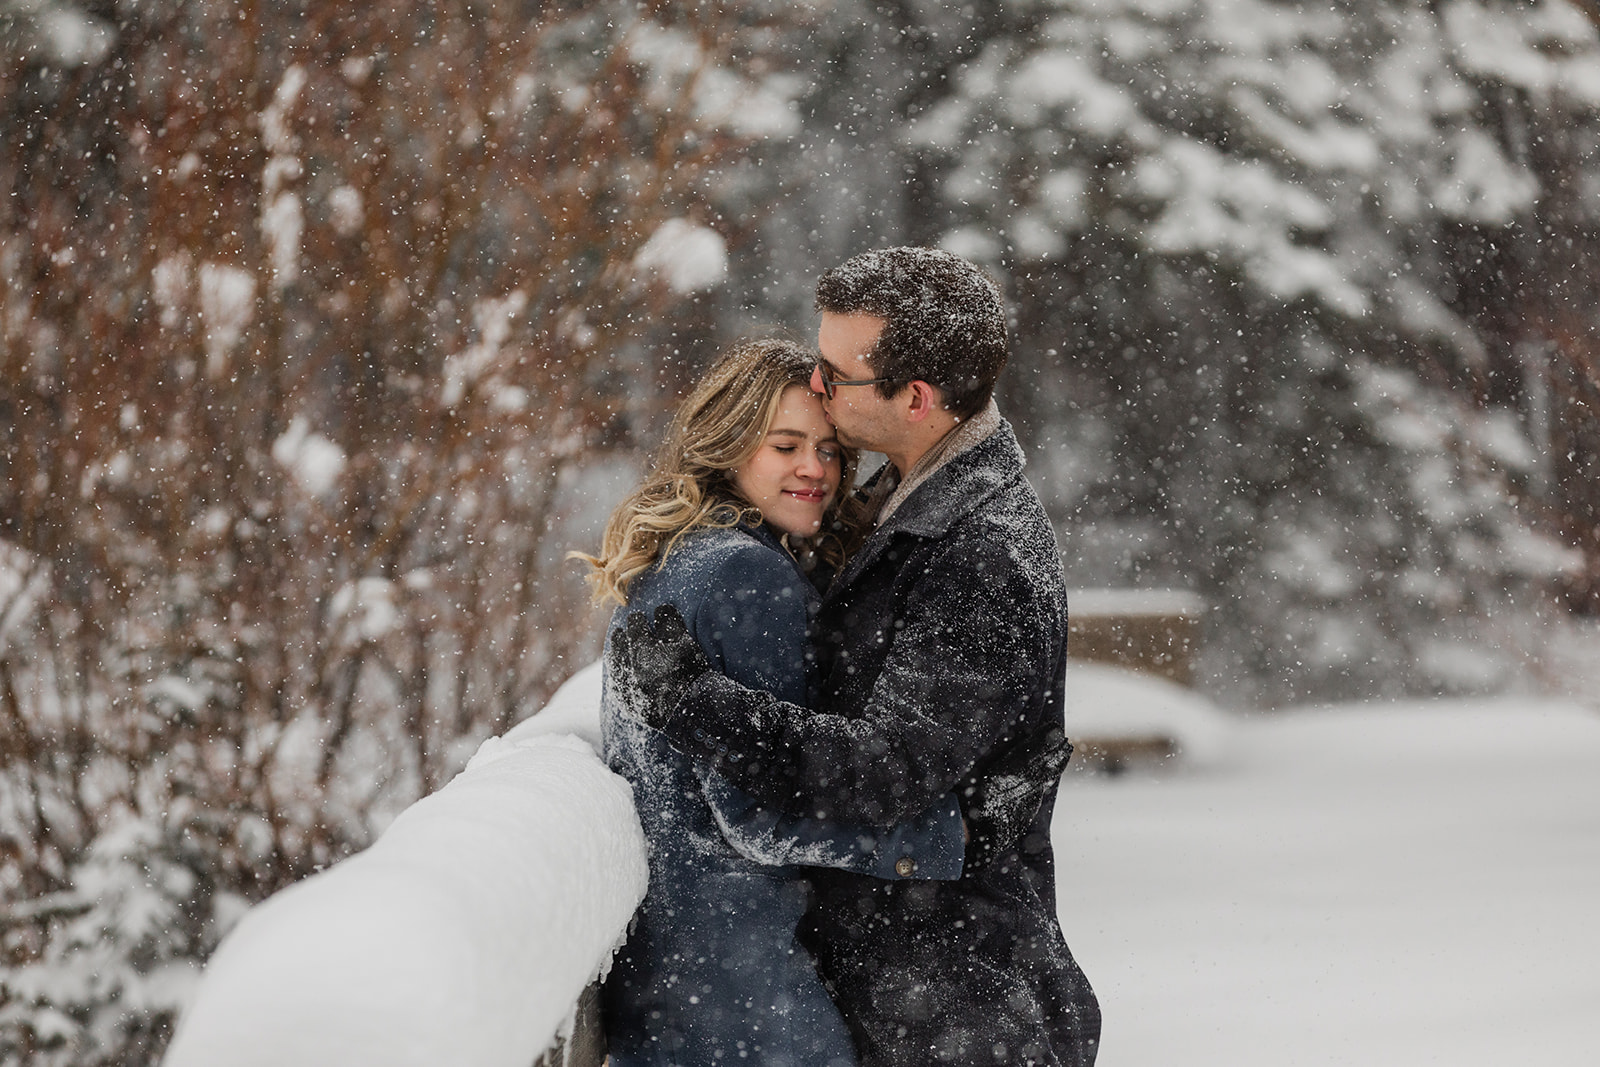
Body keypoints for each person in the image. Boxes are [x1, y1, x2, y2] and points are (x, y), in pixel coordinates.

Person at [613, 248, 1101, 1066]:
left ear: (914, 397)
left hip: (952, 1006)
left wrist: (696, 701)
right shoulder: (900, 505)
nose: (819, 384)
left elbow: (884, 771)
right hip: (900, 986)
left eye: (835, 375)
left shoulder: (978, 552)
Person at [576, 338, 968, 1067]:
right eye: (785, 444)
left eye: (829, 449)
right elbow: (761, 811)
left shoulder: (684, 556)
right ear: (728, 447)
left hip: (672, 988)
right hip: (746, 1003)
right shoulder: (746, 578)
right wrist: (938, 836)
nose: (815, 469)